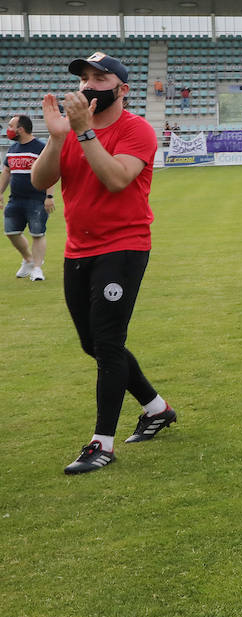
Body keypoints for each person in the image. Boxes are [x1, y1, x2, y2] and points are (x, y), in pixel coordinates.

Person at [30, 53, 176, 474]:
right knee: (92, 344)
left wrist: (84, 134)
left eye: (100, 78)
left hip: (124, 246)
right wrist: (58, 138)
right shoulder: (71, 132)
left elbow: (116, 179)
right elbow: (41, 182)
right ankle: (156, 408)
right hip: (78, 248)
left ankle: (102, 443)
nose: (89, 85)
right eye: (84, 79)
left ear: (122, 89)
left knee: (108, 344)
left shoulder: (137, 130)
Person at [4, 114, 56, 282]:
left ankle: (37, 269)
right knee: (11, 232)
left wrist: (49, 196)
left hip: (36, 199)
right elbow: (6, 172)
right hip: (15, 199)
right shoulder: (12, 149)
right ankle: (28, 259)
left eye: (11, 126)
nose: (8, 130)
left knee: (37, 234)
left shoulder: (40, 148)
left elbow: (51, 172)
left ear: (21, 129)